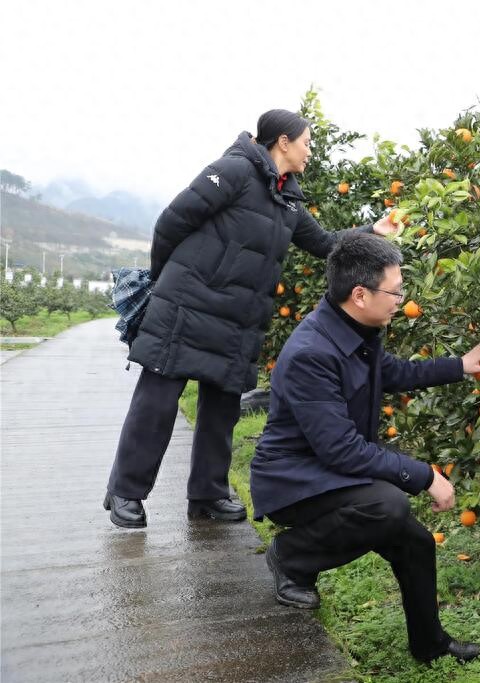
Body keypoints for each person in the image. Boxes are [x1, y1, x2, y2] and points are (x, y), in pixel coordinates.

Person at [104, 109, 400, 529]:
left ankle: (206, 495)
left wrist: (373, 229)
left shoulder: (288, 199)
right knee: (158, 401)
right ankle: (126, 492)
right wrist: (167, 280)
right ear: (283, 141)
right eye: (307, 143)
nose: (309, 151)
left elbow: (324, 243)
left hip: (237, 318)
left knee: (222, 407)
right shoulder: (234, 171)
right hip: (187, 305)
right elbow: (171, 221)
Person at [249, 231, 480, 665]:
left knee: (415, 542)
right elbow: (341, 450)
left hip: (326, 469)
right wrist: (425, 476)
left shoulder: (352, 329)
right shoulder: (313, 352)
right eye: (395, 290)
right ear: (360, 294)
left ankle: (430, 645)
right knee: (386, 506)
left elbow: (393, 373)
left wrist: (459, 366)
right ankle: (291, 557)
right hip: (294, 482)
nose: (401, 298)